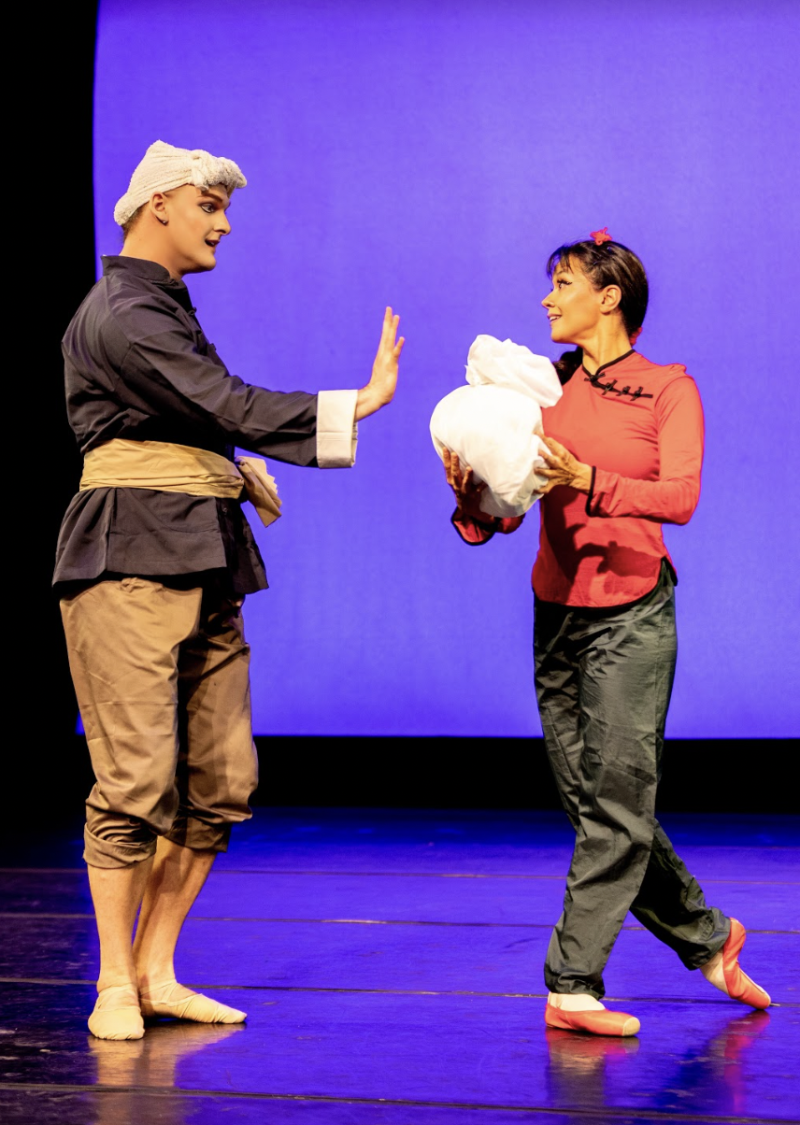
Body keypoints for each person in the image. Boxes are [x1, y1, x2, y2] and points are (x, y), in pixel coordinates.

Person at [54, 141, 404, 1041]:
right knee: (134, 779)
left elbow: (206, 416)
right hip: (130, 554)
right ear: (160, 205)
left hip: (202, 551)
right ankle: (112, 982)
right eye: (210, 205)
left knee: (221, 780)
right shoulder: (124, 313)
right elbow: (226, 402)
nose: (224, 222)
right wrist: (353, 403)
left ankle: (156, 967)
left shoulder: (162, 305)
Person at [443, 231, 769, 1036]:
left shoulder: (667, 387)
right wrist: (476, 498)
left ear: (609, 297)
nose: (549, 299)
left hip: (631, 613)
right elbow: (507, 513)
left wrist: (588, 478)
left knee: (617, 801)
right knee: (596, 804)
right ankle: (708, 934)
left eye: (563, 283)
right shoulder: (541, 389)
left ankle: (571, 980)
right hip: (557, 612)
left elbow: (682, 495)